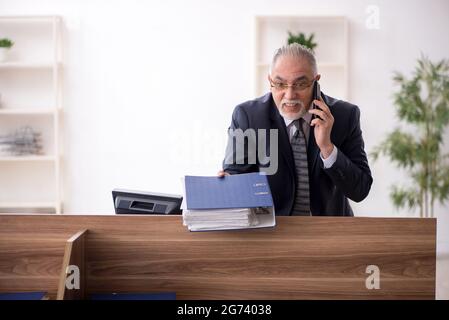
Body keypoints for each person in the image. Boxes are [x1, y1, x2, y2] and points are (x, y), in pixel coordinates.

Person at [219, 43, 373, 216]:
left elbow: (360, 190)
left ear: (316, 82)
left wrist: (327, 148)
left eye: (300, 84)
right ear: (270, 81)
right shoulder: (248, 116)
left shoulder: (345, 116)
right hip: (272, 230)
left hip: (329, 230)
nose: (290, 94)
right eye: (280, 84)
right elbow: (236, 178)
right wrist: (228, 185)